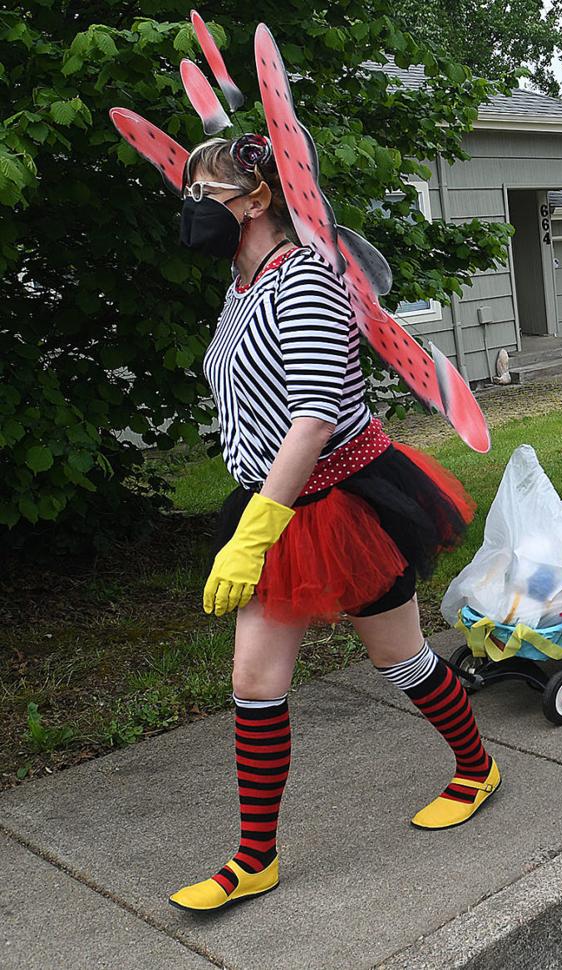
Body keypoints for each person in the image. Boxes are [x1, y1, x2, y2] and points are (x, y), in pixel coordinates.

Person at [166, 135, 498, 912]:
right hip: (273, 499)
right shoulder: (242, 286)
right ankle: (254, 859)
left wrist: (250, 539)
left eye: (203, 195)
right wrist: (254, 517)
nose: (189, 212)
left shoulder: (308, 279)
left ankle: (476, 768)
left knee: (401, 661)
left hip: (345, 503)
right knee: (253, 680)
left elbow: (315, 417)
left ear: (256, 198)